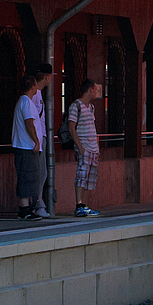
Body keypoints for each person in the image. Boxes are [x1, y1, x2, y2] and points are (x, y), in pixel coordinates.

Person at [66, 79, 102, 217]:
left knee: (89, 177)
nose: (96, 92)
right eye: (94, 89)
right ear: (90, 89)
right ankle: (79, 204)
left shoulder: (91, 107)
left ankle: (84, 205)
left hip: (93, 148)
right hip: (84, 146)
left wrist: (96, 148)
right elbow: (71, 126)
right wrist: (80, 147)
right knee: (81, 174)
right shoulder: (76, 106)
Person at [12, 75, 42, 220]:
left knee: (28, 176)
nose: (37, 88)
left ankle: (27, 207)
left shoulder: (23, 102)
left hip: (24, 146)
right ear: (31, 86)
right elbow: (29, 123)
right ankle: (24, 208)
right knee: (27, 176)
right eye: (36, 85)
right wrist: (36, 141)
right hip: (26, 147)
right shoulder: (26, 103)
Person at [30, 63, 53, 218]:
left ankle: (37, 204)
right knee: (40, 173)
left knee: (42, 173)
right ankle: (37, 204)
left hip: (39, 137)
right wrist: (37, 140)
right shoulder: (35, 95)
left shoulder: (36, 95)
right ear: (46, 77)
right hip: (37, 139)